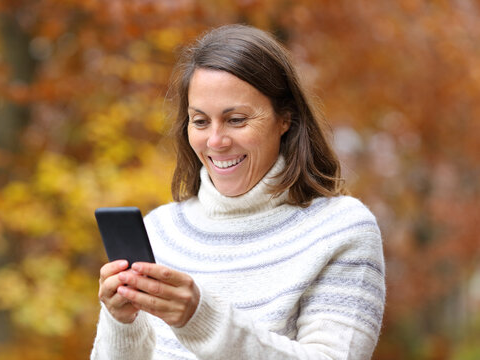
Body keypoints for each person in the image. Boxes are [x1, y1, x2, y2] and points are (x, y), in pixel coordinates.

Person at [91, 24, 385, 359]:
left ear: (285, 118)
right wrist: (121, 323)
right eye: (200, 122)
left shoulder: (341, 230)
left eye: (236, 120)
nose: (216, 141)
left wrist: (200, 319)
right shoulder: (159, 232)